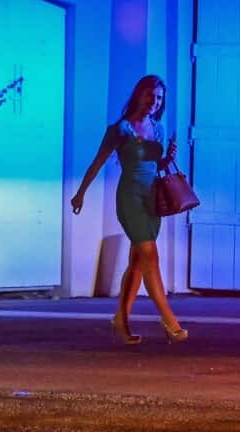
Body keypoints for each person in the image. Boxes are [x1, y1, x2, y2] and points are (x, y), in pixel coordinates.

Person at [70, 75, 188, 344]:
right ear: (138, 95)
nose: (154, 102)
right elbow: (98, 162)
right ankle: (170, 321)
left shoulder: (158, 129)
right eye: (150, 96)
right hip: (130, 198)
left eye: (158, 99)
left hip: (152, 200)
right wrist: (80, 194)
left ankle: (120, 321)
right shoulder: (120, 129)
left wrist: (168, 157)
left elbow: (155, 166)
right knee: (150, 255)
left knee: (137, 263)